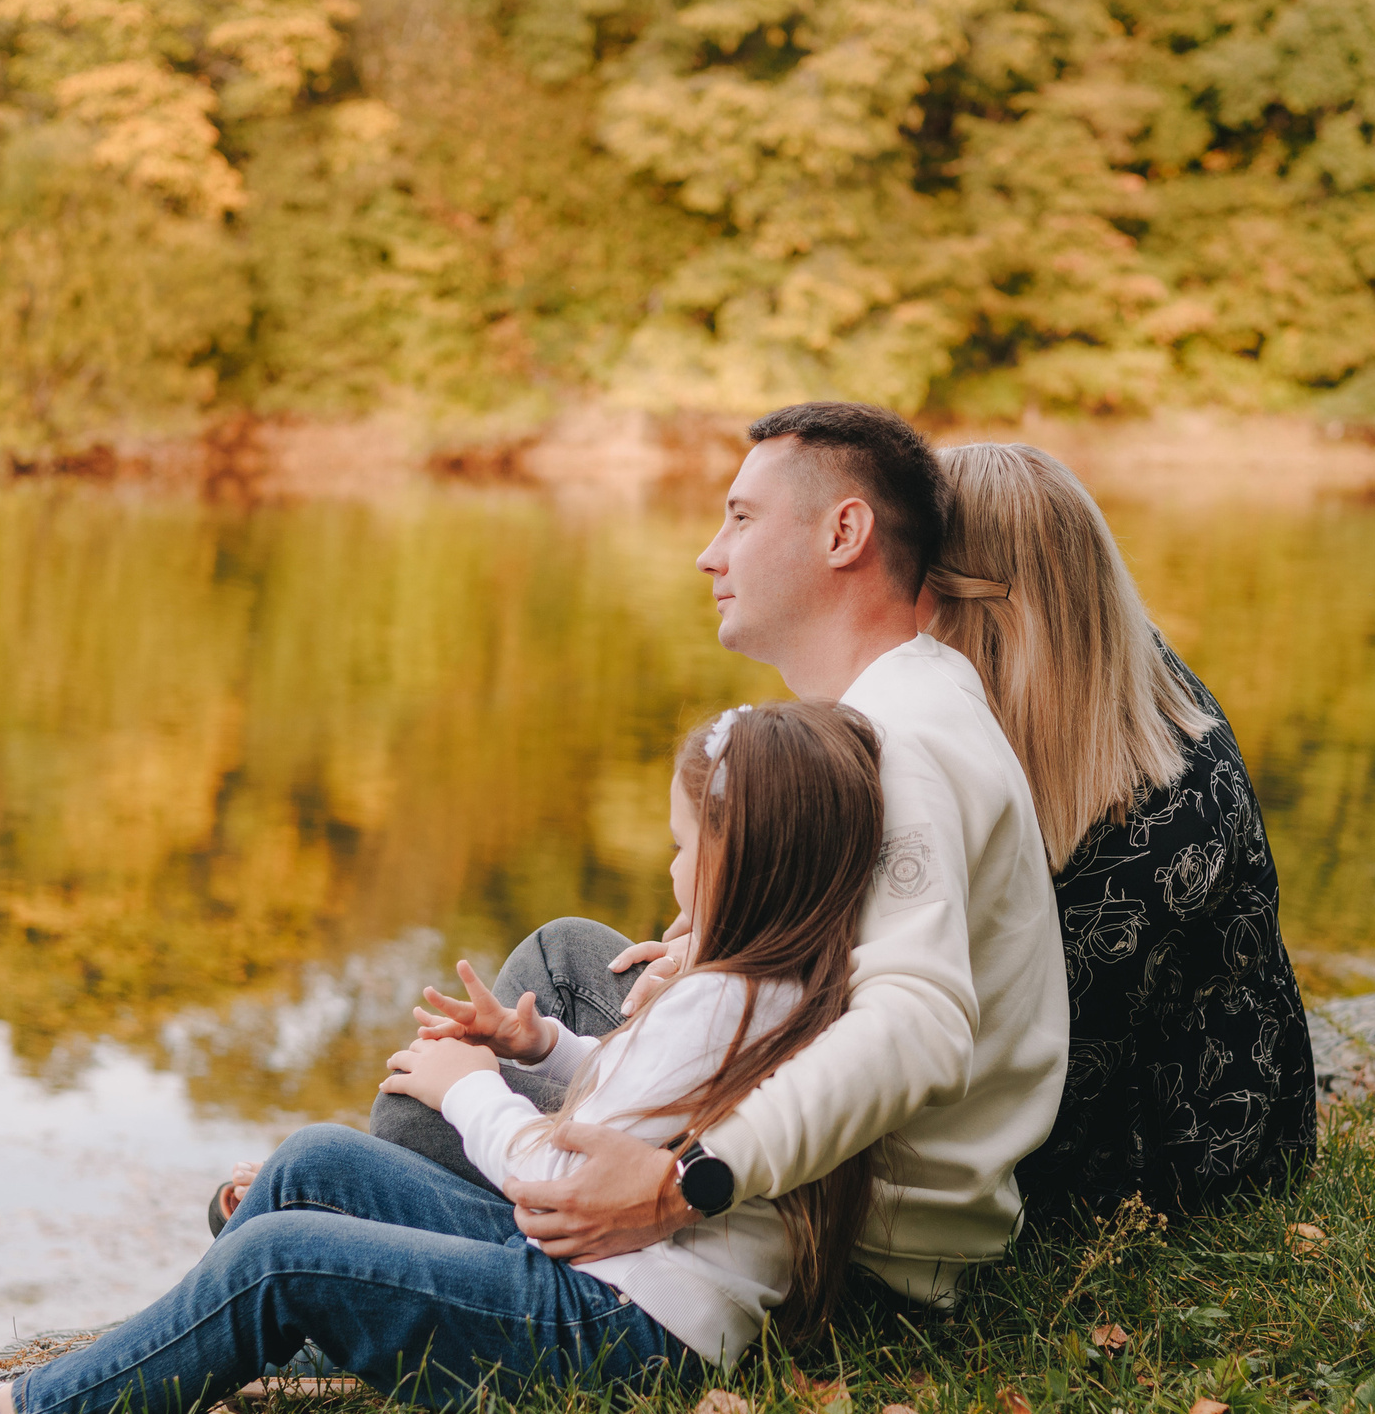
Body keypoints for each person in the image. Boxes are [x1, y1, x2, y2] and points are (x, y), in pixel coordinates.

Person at [0, 701, 886, 1414]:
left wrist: (471, 1088)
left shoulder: (719, 1001)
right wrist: (539, 1051)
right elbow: (645, 1105)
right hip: (614, 1295)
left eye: (679, 847)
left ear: (741, 860)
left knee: (283, 1260)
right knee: (319, 1160)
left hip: (614, 1339)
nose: (667, 871)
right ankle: (176, 1360)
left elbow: (561, 1181)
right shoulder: (767, 988)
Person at [372, 402, 1069, 1311]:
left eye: (741, 518)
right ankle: (374, 1235)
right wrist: (717, 944)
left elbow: (921, 1023)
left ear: (844, 531)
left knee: (500, 1026)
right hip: (851, 1189)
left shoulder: (902, 741)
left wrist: (683, 1181)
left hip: (866, 1245)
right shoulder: (916, 692)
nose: (711, 553)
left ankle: (370, 1262)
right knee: (572, 961)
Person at [927, 442, 1315, 1220]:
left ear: (976, 605)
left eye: (910, 581)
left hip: (1170, 1172)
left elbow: (1033, 1089)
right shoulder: (1127, 672)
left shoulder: (1154, 832)